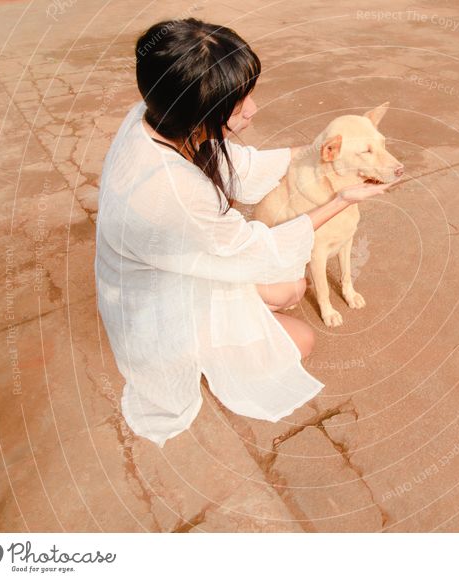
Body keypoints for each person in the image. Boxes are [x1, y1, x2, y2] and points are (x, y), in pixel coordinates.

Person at [94, 18, 397, 447]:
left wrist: (319, 149)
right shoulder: (176, 193)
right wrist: (341, 200)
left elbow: (245, 167)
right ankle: (200, 352)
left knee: (283, 289)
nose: (252, 109)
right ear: (200, 112)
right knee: (295, 313)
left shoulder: (155, 117)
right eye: (237, 104)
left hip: (160, 271)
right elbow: (257, 249)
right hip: (162, 303)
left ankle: (239, 323)